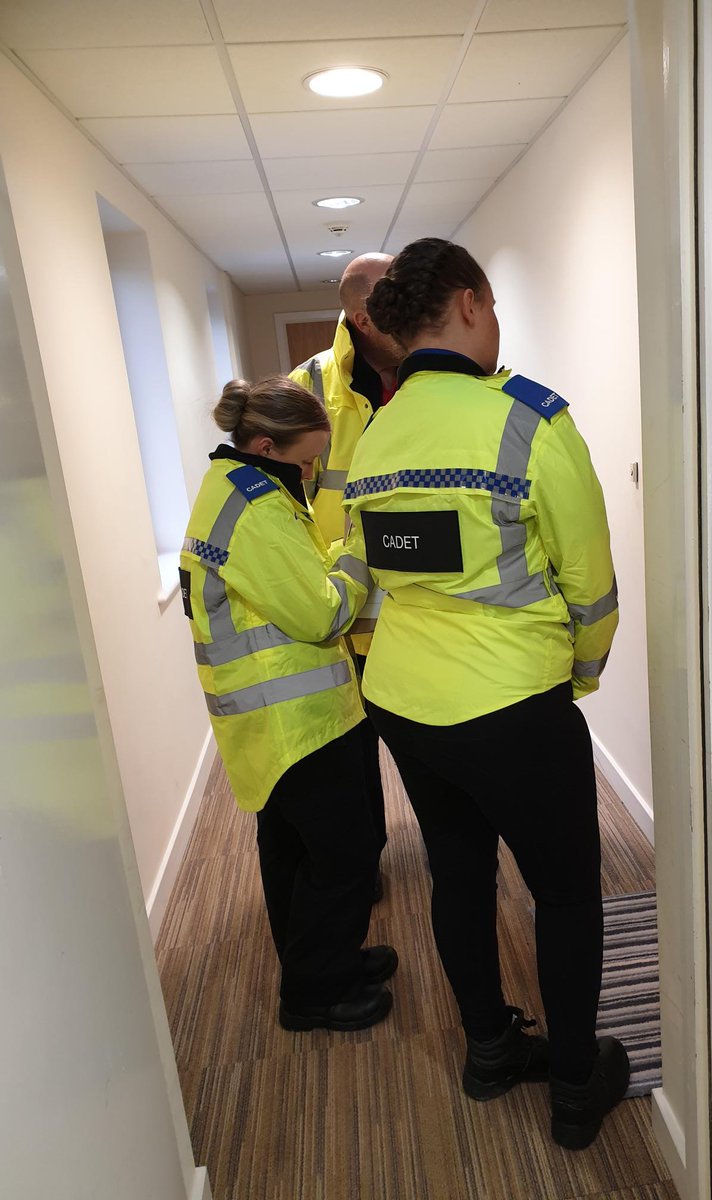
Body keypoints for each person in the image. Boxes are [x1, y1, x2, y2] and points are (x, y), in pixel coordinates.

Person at [331, 238, 631, 1149]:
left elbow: (380, 569)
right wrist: (579, 676)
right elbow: (591, 586)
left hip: (406, 707)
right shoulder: (528, 422)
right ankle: (577, 1086)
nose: (496, 326)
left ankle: (490, 1050)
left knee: (459, 874)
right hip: (512, 707)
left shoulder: (376, 433)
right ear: (467, 303)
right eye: (492, 309)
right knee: (568, 892)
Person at [179, 375, 395, 1032]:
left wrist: (327, 558)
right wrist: (359, 553)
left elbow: (288, 583)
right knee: (345, 853)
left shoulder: (239, 488)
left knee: (294, 853)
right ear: (266, 445)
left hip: (272, 721)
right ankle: (314, 993)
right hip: (294, 721)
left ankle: (323, 961)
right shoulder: (257, 510)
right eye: (306, 461)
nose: (313, 473)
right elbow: (323, 615)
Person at [290, 253, 405, 899]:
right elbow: (284, 507)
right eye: (399, 299)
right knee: (354, 759)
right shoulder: (306, 389)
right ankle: (366, 868)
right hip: (344, 616)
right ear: (363, 315)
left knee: (431, 748)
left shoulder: (432, 374)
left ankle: (458, 854)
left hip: (423, 612)